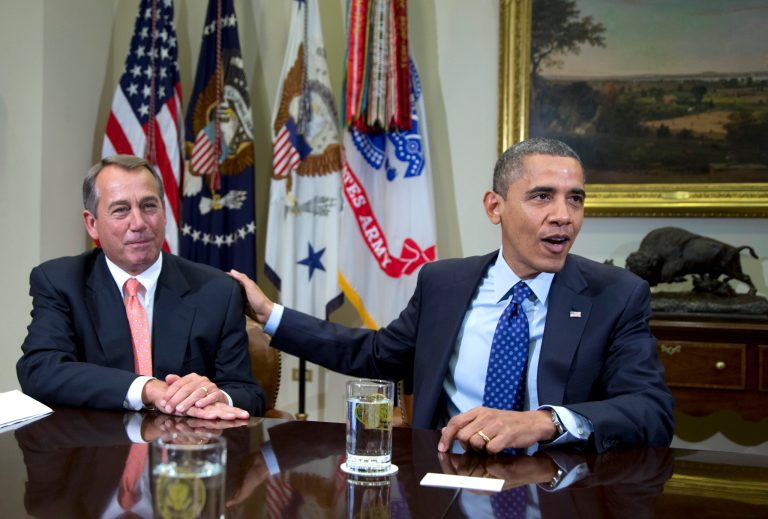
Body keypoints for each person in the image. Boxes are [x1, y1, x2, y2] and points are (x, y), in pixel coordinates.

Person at [230, 138, 674, 453]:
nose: (564, 216)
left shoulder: (616, 295)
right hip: (443, 479)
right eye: (542, 197)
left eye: (575, 199)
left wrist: (544, 421)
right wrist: (271, 315)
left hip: (555, 489)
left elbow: (651, 411)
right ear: (494, 207)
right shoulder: (445, 283)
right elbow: (374, 354)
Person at [18, 155, 263, 419]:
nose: (138, 223)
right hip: (97, 450)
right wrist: (146, 388)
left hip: (184, 452)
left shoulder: (216, 290)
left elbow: (247, 393)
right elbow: (40, 370)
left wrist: (213, 396)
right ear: (92, 224)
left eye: (149, 206)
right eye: (121, 209)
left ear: (164, 213)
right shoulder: (61, 281)